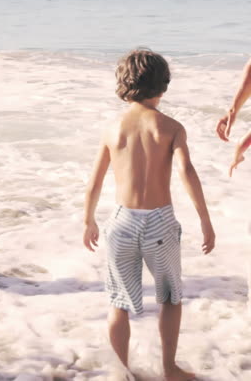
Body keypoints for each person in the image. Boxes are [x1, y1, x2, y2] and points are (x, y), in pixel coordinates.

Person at [83, 49, 215, 381]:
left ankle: (121, 372)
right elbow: (187, 173)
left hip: (121, 222)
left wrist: (89, 219)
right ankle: (169, 369)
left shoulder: (112, 128)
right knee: (170, 297)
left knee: (119, 302)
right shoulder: (171, 127)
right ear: (163, 84)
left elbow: (95, 182)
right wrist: (205, 220)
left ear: (123, 83)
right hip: (159, 221)